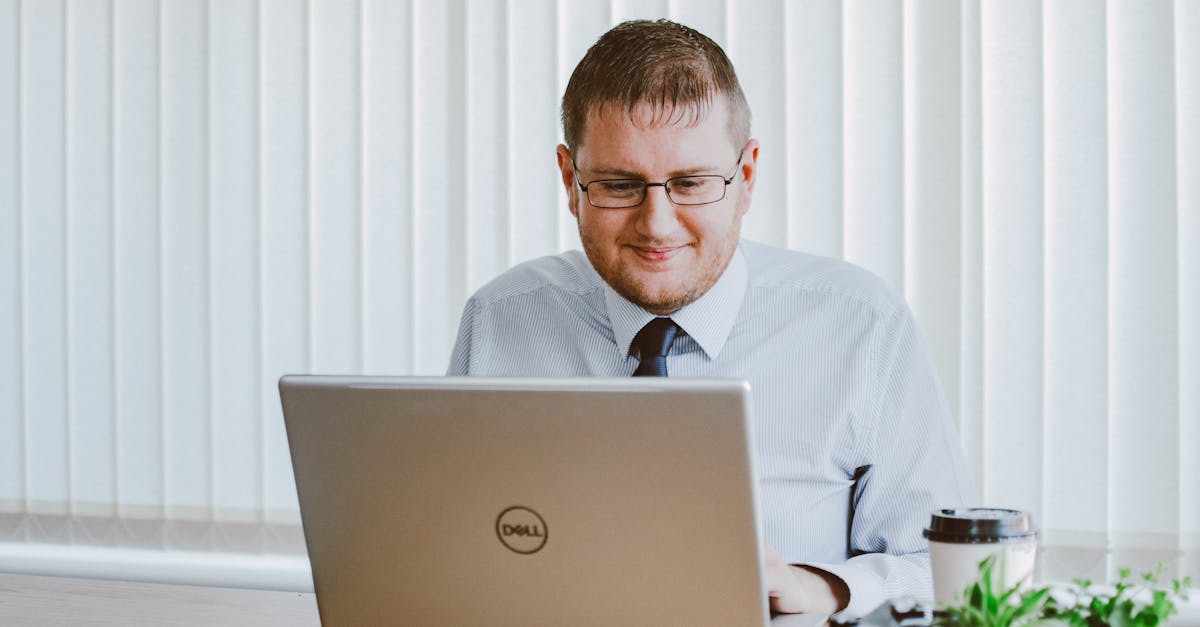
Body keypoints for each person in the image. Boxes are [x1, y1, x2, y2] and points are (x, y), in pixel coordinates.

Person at [447, 18, 974, 620]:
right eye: (620, 186)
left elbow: (947, 572)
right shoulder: (498, 321)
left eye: (692, 183)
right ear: (571, 181)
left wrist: (825, 588)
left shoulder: (862, 326)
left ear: (745, 177)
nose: (658, 226)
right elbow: (452, 550)